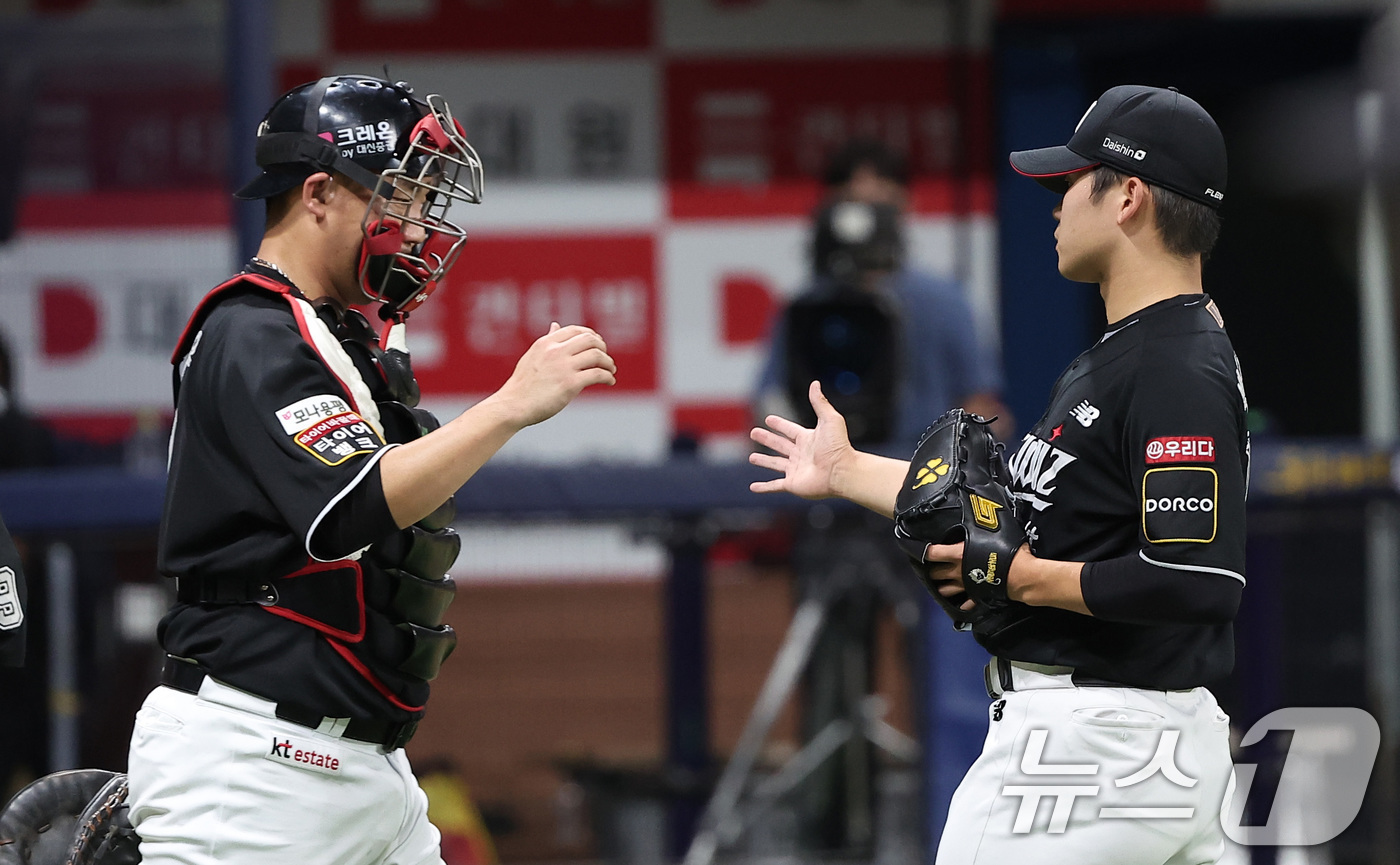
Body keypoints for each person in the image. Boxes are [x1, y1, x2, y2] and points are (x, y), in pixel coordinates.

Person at [127, 75, 616, 865]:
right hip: (254, 763)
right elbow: (346, 507)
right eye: (401, 196)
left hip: (363, 767)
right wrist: (512, 404)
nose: (419, 224)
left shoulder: (337, 333)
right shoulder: (252, 330)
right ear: (319, 192)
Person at [750, 84, 1246, 864]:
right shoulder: (1133, 352)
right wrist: (844, 469)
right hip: (1143, 745)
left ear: (1129, 198)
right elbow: (986, 509)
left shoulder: (1171, 361)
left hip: (1093, 744)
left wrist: (1021, 577)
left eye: (1069, 186)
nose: (1054, 208)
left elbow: (1195, 579)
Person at [754, 139, 1007, 456]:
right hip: (829, 478)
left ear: (904, 203)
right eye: (852, 202)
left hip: (918, 475)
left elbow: (980, 404)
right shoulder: (807, 306)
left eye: (878, 203)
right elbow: (769, 403)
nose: (866, 218)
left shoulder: (943, 300)